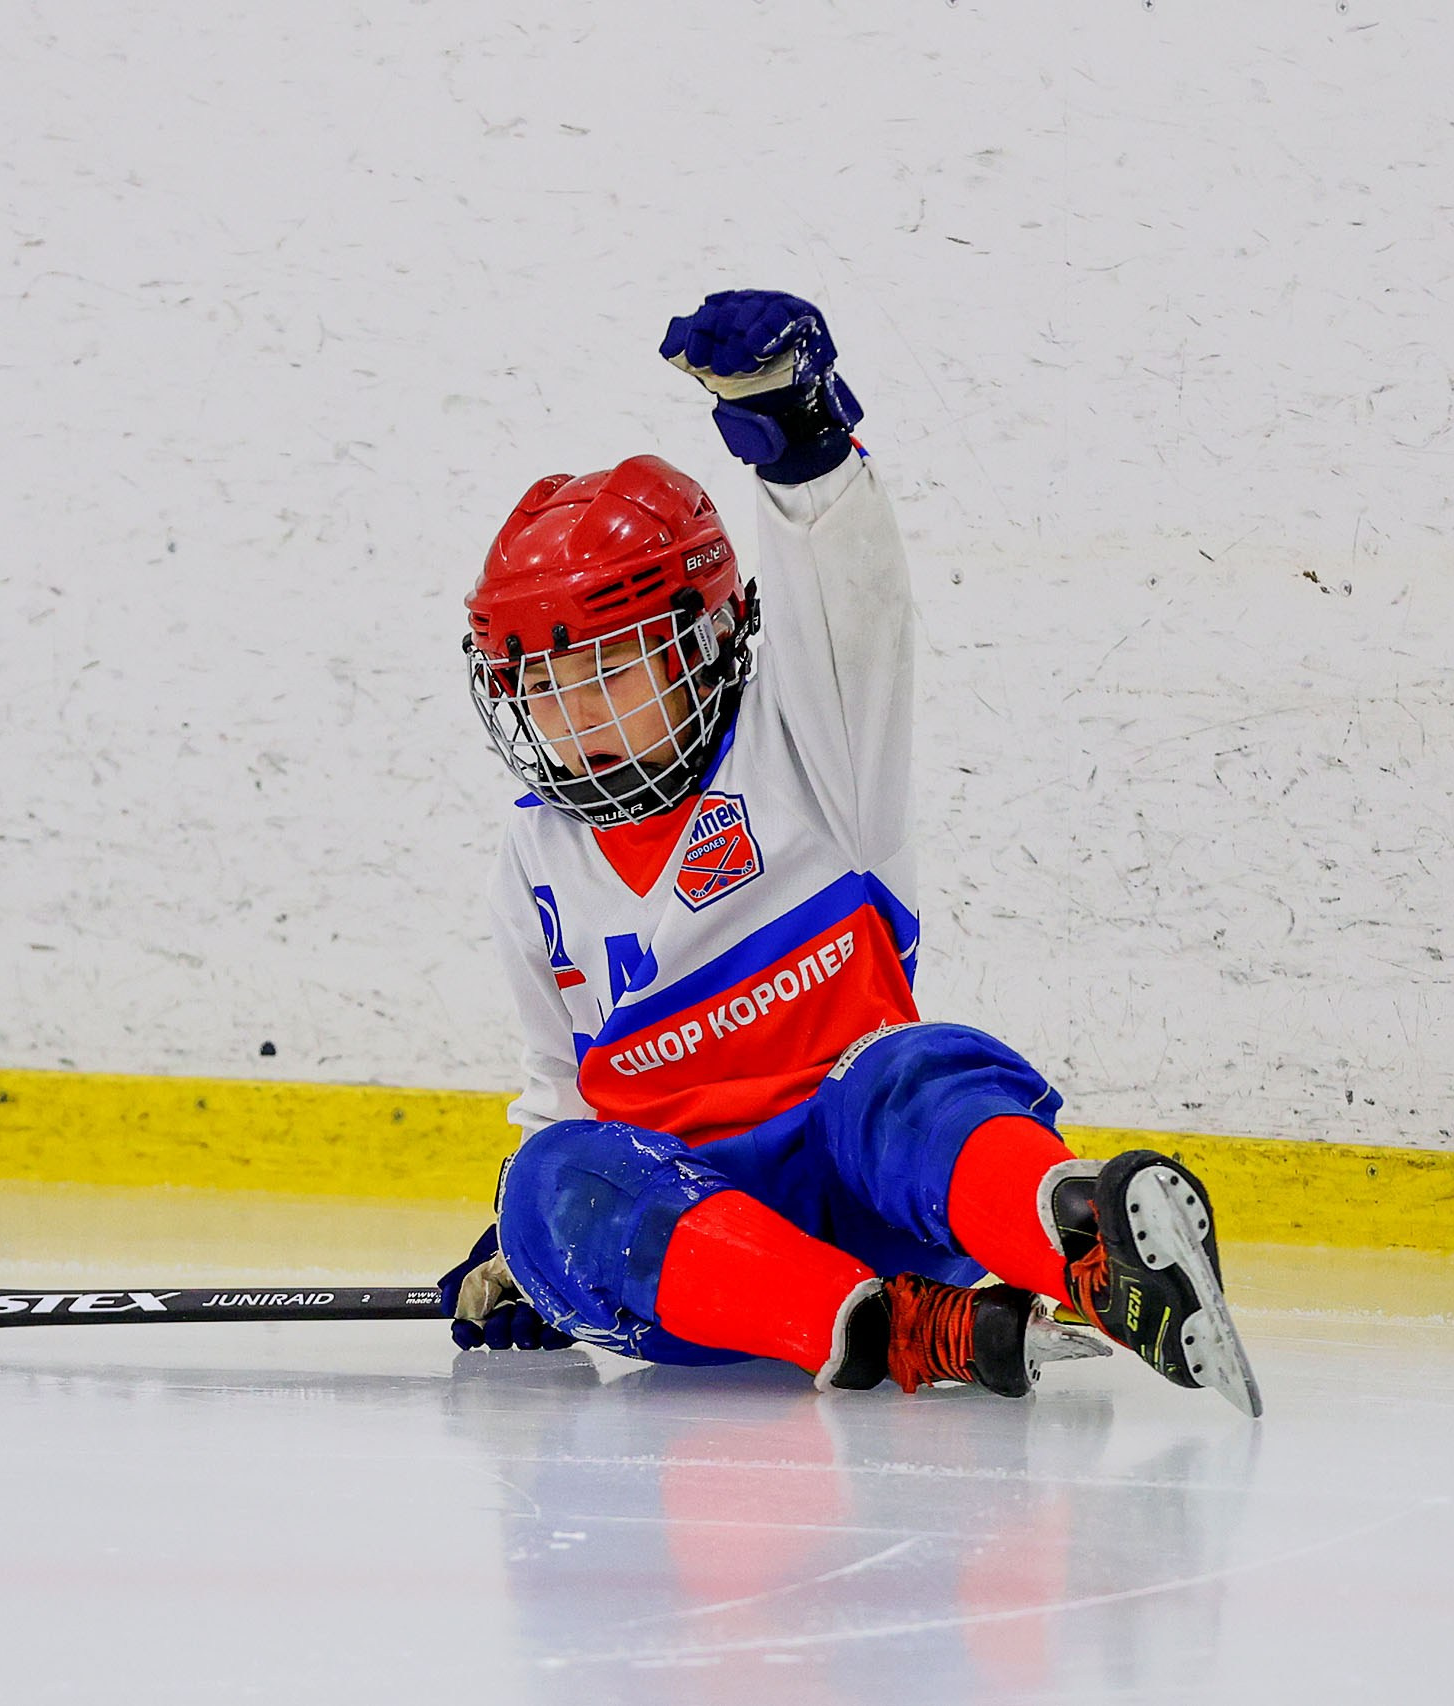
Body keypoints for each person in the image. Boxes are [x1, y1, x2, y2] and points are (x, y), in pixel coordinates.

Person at [441, 290, 1261, 1415]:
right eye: (541, 680)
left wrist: (802, 440)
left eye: (608, 667)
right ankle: (905, 1325)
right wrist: (534, 1246)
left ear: (707, 636)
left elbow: (853, 603)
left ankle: (1079, 1242)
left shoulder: (808, 749)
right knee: (544, 1183)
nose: (572, 713)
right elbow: (555, 1092)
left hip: (867, 1170)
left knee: (907, 1072)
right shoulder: (532, 862)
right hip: (712, 1233)